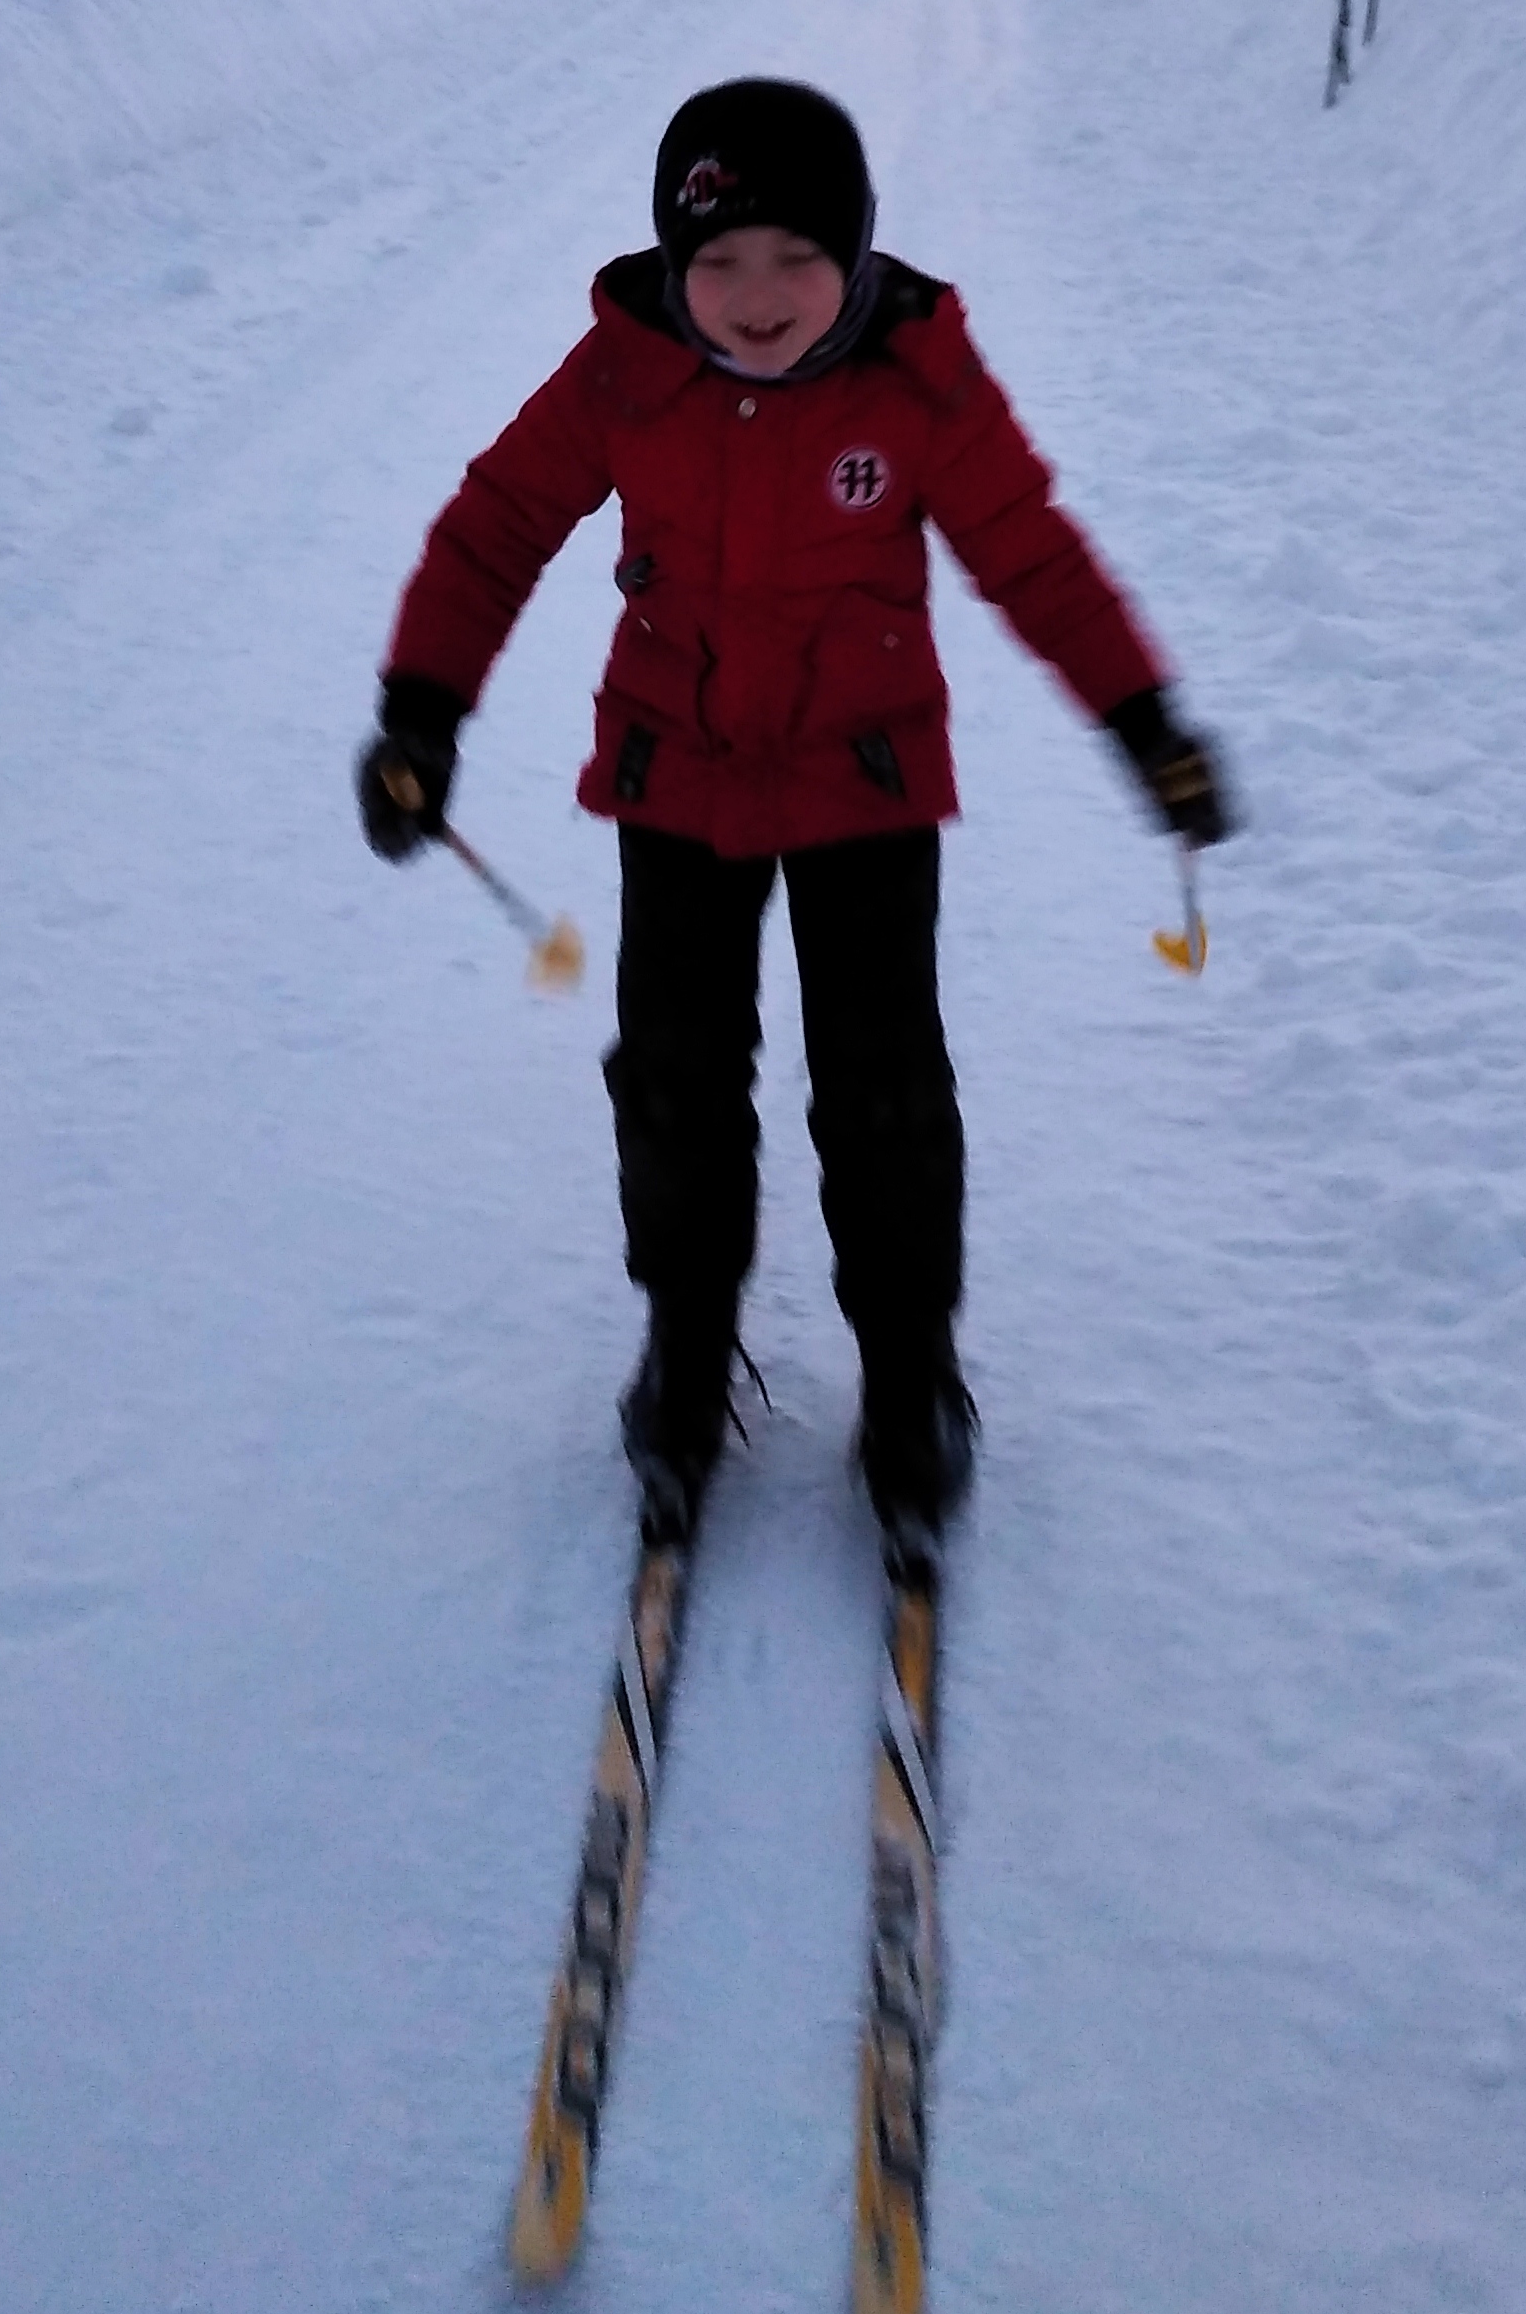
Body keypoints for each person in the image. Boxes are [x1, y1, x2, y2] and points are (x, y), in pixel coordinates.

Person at [357, 77, 1229, 1556]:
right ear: (672, 263)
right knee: (677, 1081)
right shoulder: (626, 371)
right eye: (717, 261)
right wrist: (422, 709)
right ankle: (686, 1347)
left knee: (884, 1088)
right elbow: (496, 524)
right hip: (678, 782)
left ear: (858, 252)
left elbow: (1034, 555)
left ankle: (910, 1373)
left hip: (864, 787)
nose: (755, 297)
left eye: (794, 257)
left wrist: (1144, 722)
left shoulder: (917, 383)